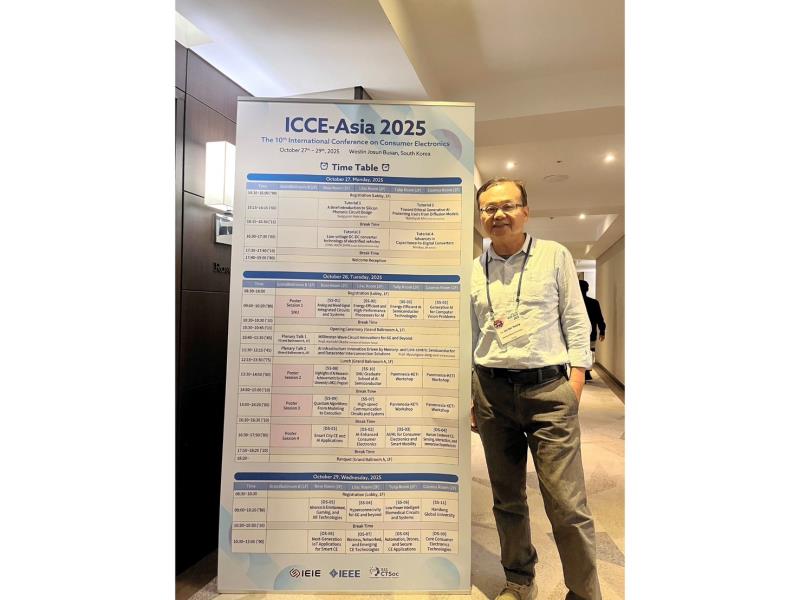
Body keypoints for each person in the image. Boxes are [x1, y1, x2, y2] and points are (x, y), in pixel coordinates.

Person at [470, 178, 601, 600]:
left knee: (567, 505)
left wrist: (575, 383)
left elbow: (576, 321)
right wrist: (472, 395)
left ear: (525, 211)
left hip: (548, 391)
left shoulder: (554, 256)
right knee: (506, 499)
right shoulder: (473, 270)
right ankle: (519, 581)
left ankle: (584, 593)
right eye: (489, 209)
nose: (498, 215)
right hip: (492, 393)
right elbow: (471, 335)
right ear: (481, 216)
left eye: (507, 206)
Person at [578, 280, 606, 381]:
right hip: (591, 333)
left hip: (578, 333)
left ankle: (578, 373)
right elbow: (600, 318)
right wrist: (602, 331)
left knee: (577, 352)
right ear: (587, 289)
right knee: (590, 352)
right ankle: (587, 373)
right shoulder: (594, 303)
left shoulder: (575, 303)